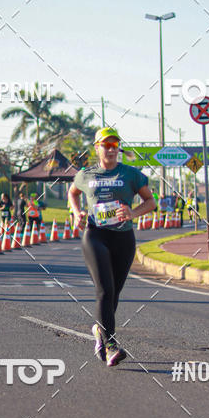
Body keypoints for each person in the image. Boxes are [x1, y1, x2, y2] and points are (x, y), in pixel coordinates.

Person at [69, 126, 156, 367]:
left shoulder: (130, 174)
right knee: (104, 291)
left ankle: (100, 330)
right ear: (97, 148)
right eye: (105, 145)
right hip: (96, 236)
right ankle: (110, 345)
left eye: (114, 145)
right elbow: (73, 193)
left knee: (114, 294)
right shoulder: (86, 174)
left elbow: (150, 201)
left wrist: (133, 212)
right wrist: (77, 213)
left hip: (123, 238)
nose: (110, 149)